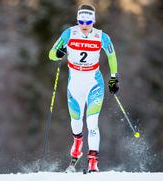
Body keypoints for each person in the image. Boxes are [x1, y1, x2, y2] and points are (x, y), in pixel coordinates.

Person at [48, 4, 119, 172]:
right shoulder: (69, 33)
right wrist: (58, 53)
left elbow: (112, 56)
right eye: (81, 20)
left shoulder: (102, 36)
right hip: (75, 84)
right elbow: (51, 54)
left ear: (93, 21)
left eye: (88, 21)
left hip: (94, 83)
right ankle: (78, 142)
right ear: (77, 20)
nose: (84, 25)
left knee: (92, 122)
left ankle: (93, 162)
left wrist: (114, 78)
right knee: (76, 121)